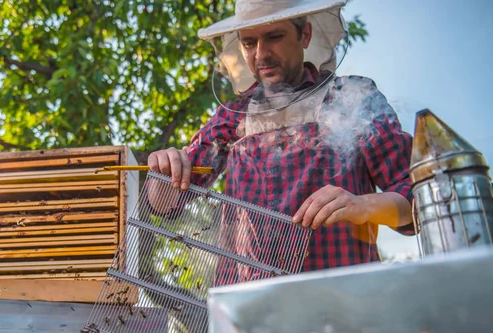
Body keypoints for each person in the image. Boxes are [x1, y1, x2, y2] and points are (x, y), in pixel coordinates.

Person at [146, 0, 415, 273]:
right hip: (248, 305)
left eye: (274, 37)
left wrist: (363, 205)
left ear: (305, 34)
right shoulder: (232, 115)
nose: (261, 55)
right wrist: (165, 167)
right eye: (249, 43)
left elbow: (417, 201)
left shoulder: (351, 96)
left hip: (340, 300)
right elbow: (166, 204)